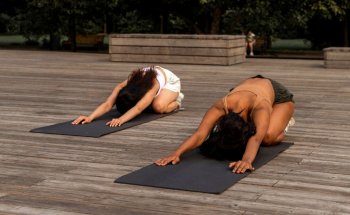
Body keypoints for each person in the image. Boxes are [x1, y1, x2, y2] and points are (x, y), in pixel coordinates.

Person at [155, 75, 295, 174]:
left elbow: (256, 138)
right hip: (244, 89)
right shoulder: (221, 105)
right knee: (256, 131)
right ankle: (266, 122)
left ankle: (283, 121)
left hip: (277, 96)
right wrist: (176, 153)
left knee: (267, 137)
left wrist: (246, 160)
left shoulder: (260, 108)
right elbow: (200, 134)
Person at [72, 66, 184, 127]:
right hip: (148, 84)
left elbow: (138, 108)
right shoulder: (122, 86)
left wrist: (121, 119)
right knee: (148, 103)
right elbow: (107, 105)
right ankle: (153, 100)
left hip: (169, 81)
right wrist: (90, 117)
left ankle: (177, 100)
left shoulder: (151, 86)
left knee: (158, 107)